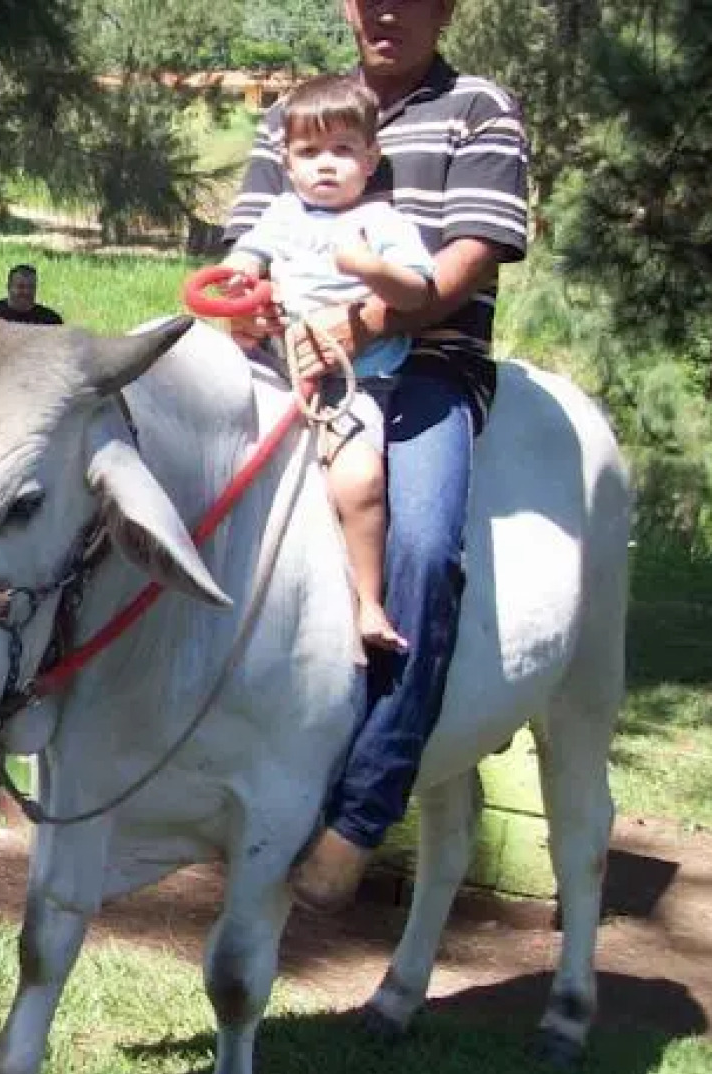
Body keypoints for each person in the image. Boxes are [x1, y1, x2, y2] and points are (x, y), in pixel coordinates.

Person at [221, 0, 531, 915]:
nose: (388, 9)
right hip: (284, 360)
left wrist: (352, 325)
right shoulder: (297, 111)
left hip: (425, 366)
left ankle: (362, 812)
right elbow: (243, 255)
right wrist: (250, 311)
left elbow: (465, 262)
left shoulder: (479, 107)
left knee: (425, 548)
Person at [220, 73, 436, 655]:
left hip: (351, 381)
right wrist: (241, 281)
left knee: (359, 480)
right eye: (309, 152)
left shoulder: (380, 223)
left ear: (371, 160)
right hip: (272, 368)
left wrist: (369, 270)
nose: (325, 165)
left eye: (342, 150)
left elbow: (417, 291)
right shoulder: (283, 213)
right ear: (287, 163)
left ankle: (366, 601)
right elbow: (246, 255)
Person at [0, 264, 64, 325]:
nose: (26, 292)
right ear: (8, 287)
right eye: (20, 287)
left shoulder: (51, 320)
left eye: (31, 287)